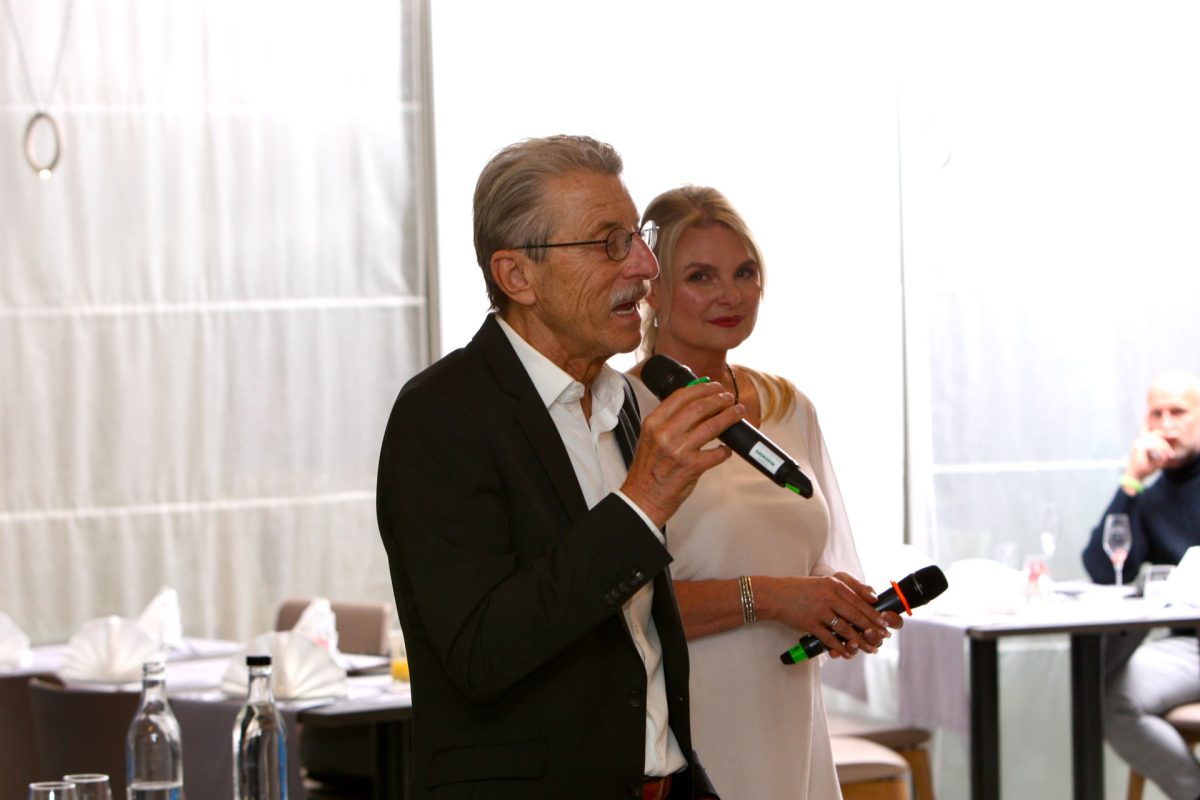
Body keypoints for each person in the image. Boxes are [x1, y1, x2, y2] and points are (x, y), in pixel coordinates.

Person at [376, 136, 733, 799]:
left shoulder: (623, 400)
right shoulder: (442, 414)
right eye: (610, 243)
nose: (646, 266)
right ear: (517, 276)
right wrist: (642, 502)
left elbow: (639, 647)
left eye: (639, 236)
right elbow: (482, 652)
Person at [626, 185, 900, 799]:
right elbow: (619, 607)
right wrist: (773, 597)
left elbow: (818, 565)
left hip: (791, 716)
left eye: (744, 272)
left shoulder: (787, 405)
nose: (730, 294)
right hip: (690, 723)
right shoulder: (623, 413)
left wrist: (842, 606)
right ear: (652, 292)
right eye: (701, 276)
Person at [1082, 369, 1200, 800]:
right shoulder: (1150, 497)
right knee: (1105, 700)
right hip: (1188, 647)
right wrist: (1132, 481)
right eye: (1156, 414)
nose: (1166, 424)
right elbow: (1104, 569)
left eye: (1178, 412)